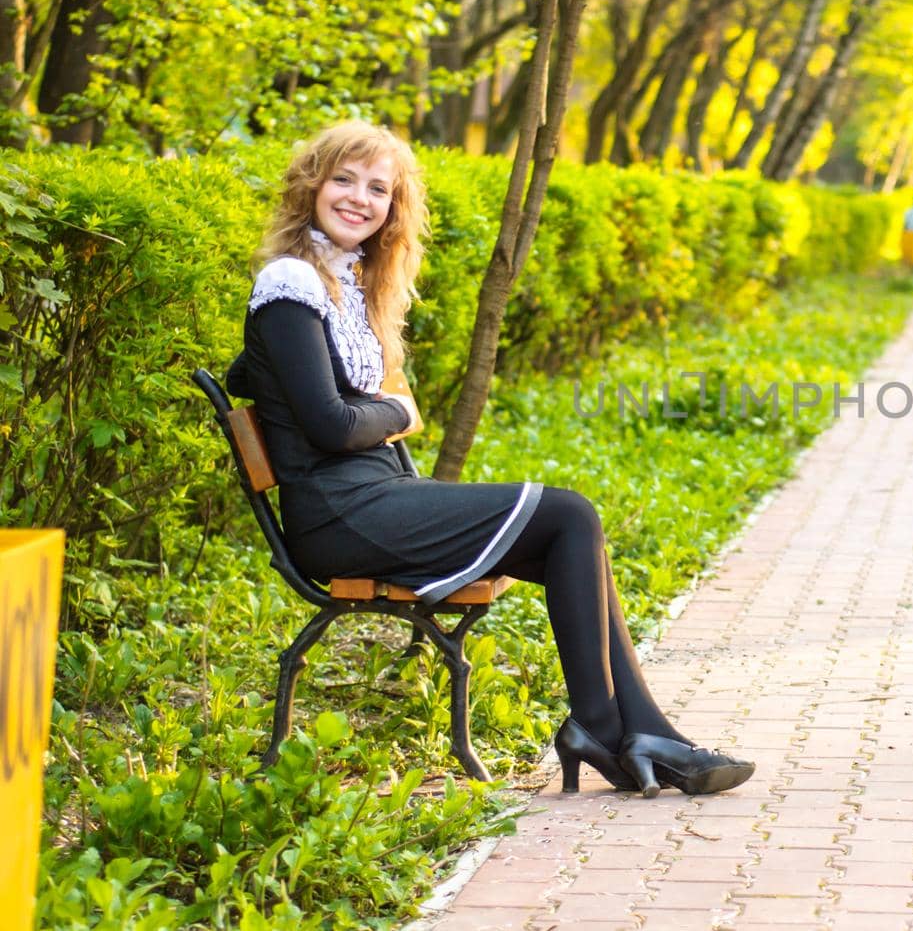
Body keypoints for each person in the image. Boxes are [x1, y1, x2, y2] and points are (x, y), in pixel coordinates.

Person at [225, 121, 752, 799]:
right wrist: (399, 413)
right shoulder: (292, 280)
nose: (360, 198)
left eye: (378, 188)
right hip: (343, 516)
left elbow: (264, 374)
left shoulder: (342, 282)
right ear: (312, 184)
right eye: (344, 179)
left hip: (369, 499)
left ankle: (644, 732)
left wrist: (351, 402)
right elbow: (332, 425)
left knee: (573, 538)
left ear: (394, 208)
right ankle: (604, 726)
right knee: (566, 513)